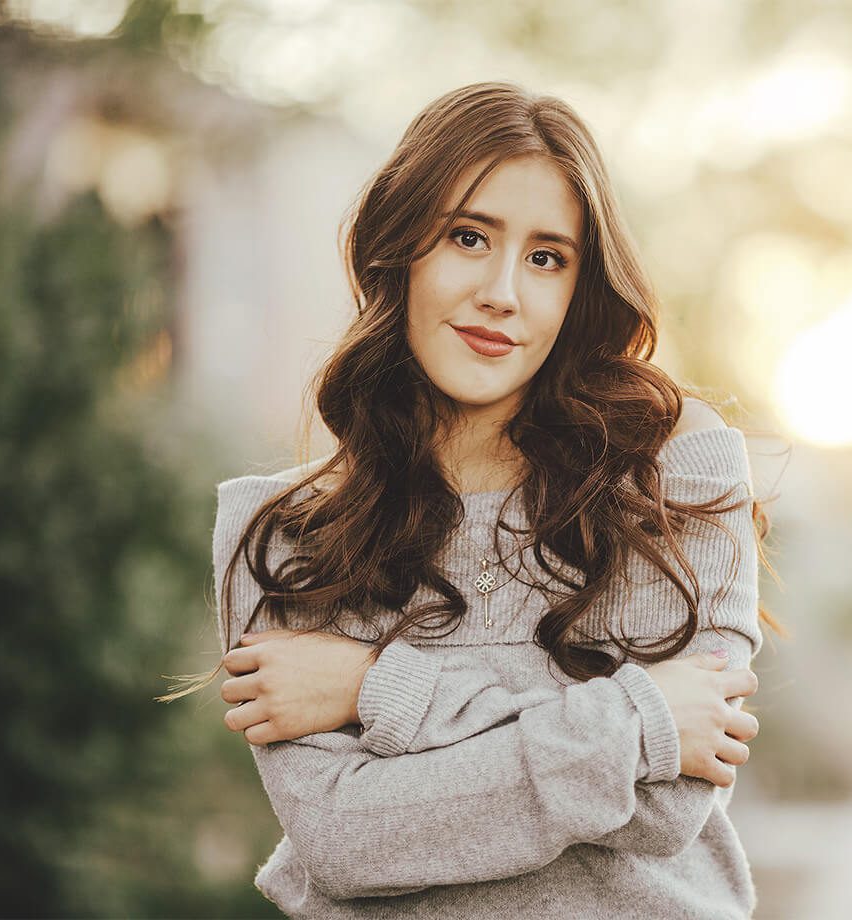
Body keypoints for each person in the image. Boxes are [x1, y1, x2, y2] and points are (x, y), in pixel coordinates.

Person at [182, 82, 778, 917]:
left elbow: (667, 806)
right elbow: (345, 841)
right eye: (469, 237)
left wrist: (377, 689)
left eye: (546, 257)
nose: (503, 291)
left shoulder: (672, 468)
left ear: (580, 290)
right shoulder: (283, 533)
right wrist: (636, 725)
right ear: (401, 249)